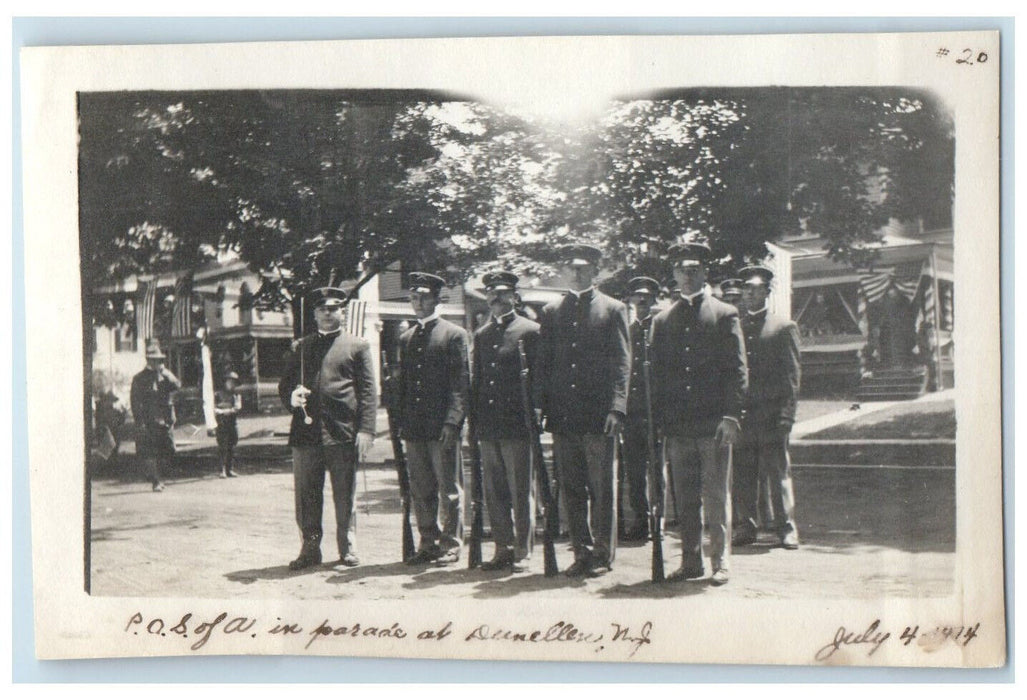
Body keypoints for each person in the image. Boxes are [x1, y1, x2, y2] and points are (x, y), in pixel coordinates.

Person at [650, 242, 747, 586]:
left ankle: (720, 561)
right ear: (674, 274)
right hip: (678, 425)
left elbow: (736, 370)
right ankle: (691, 561)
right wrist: (658, 423)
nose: (687, 277)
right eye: (681, 271)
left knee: (716, 496)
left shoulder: (724, 313)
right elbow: (657, 376)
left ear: (705, 272)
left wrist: (731, 416)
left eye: (693, 270)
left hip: (713, 423)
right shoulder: (663, 320)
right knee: (686, 497)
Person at [536, 244, 631, 577]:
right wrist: (542, 407)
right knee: (572, 488)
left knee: (602, 488)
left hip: (598, 416)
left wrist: (617, 408)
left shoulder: (613, 309)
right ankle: (581, 551)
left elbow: (622, 363)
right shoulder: (551, 311)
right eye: (571, 268)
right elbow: (544, 365)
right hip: (564, 416)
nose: (576, 273)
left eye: (583, 267)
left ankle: (603, 554)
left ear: (595, 271)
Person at [278, 287, 377, 571]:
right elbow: (284, 385)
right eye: (322, 309)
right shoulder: (300, 347)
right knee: (307, 495)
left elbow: (368, 392)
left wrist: (367, 430)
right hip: (306, 433)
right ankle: (310, 548)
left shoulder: (357, 346)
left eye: (333, 308)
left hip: (342, 432)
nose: (327, 313)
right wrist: (290, 398)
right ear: (314, 314)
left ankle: (348, 549)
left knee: (344, 494)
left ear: (342, 312)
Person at [397, 272, 471, 566]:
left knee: (449, 489)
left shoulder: (454, 335)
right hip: (415, 427)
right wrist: (401, 421)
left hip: (442, 427)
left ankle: (451, 544)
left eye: (424, 297)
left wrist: (453, 422)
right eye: (414, 297)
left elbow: (460, 384)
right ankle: (428, 542)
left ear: (437, 298)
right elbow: (403, 386)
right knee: (421, 489)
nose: (418, 302)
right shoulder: (406, 337)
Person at [469, 271, 540, 571]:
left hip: (517, 424)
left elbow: (538, 379)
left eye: (501, 293)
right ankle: (503, 547)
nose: (495, 298)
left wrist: (536, 415)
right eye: (490, 293)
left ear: (515, 296)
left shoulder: (531, 330)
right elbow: (479, 380)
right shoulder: (482, 335)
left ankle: (523, 550)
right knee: (494, 491)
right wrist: (475, 423)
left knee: (520, 489)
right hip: (489, 424)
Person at [732, 265, 801, 550]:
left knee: (778, 473)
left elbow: (791, 376)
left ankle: (786, 528)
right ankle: (746, 528)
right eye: (746, 288)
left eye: (756, 288)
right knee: (744, 474)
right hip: (744, 415)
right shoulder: (735, 326)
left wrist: (787, 414)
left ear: (767, 292)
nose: (750, 292)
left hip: (772, 416)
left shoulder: (783, 327)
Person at [620, 276, 661, 542]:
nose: (642, 301)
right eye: (637, 297)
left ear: (654, 300)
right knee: (634, 471)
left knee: (657, 470)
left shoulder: (662, 329)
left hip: (656, 412)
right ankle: (640, 519)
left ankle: (659, 519)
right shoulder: (629, 331)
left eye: (646, 297)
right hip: (633, 413)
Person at [130, 339, 182, 492]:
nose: (158, 362)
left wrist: (167, 373)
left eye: (160, 360)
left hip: (165, 419)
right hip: (148, 419)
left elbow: (177, 386)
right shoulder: (139, 378)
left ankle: (158, 476)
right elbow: (135, 401)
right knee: (150, 451)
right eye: (155, 360)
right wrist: (140, 421)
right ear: (148, 360)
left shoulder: (164, 376)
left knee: (168, 450)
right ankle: (155, 480)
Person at [214, 371, 242, 478]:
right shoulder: (217, 394)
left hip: (232, 423)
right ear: (225, 382)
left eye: (233, 382)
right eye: (229, 381)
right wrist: (221, 410)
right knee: (222, 446)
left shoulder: (236, 395)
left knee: (232, 446)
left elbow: (237, 408)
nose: (231, 384)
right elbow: (213, 408)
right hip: (221, 423)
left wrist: (224, 410)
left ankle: (230, 469)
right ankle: (221, 470)